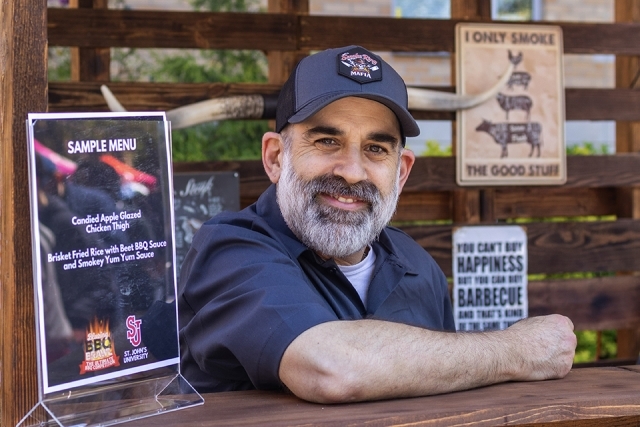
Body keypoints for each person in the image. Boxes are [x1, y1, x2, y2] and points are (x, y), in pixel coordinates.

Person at [178, 45, 576, 403]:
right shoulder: (230, 250)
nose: (352, 172)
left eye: (375, 148)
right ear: (275, 158)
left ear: (400, 172)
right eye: (326, 141)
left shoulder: (418, 267)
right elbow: (334, 369)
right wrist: (515, 350)